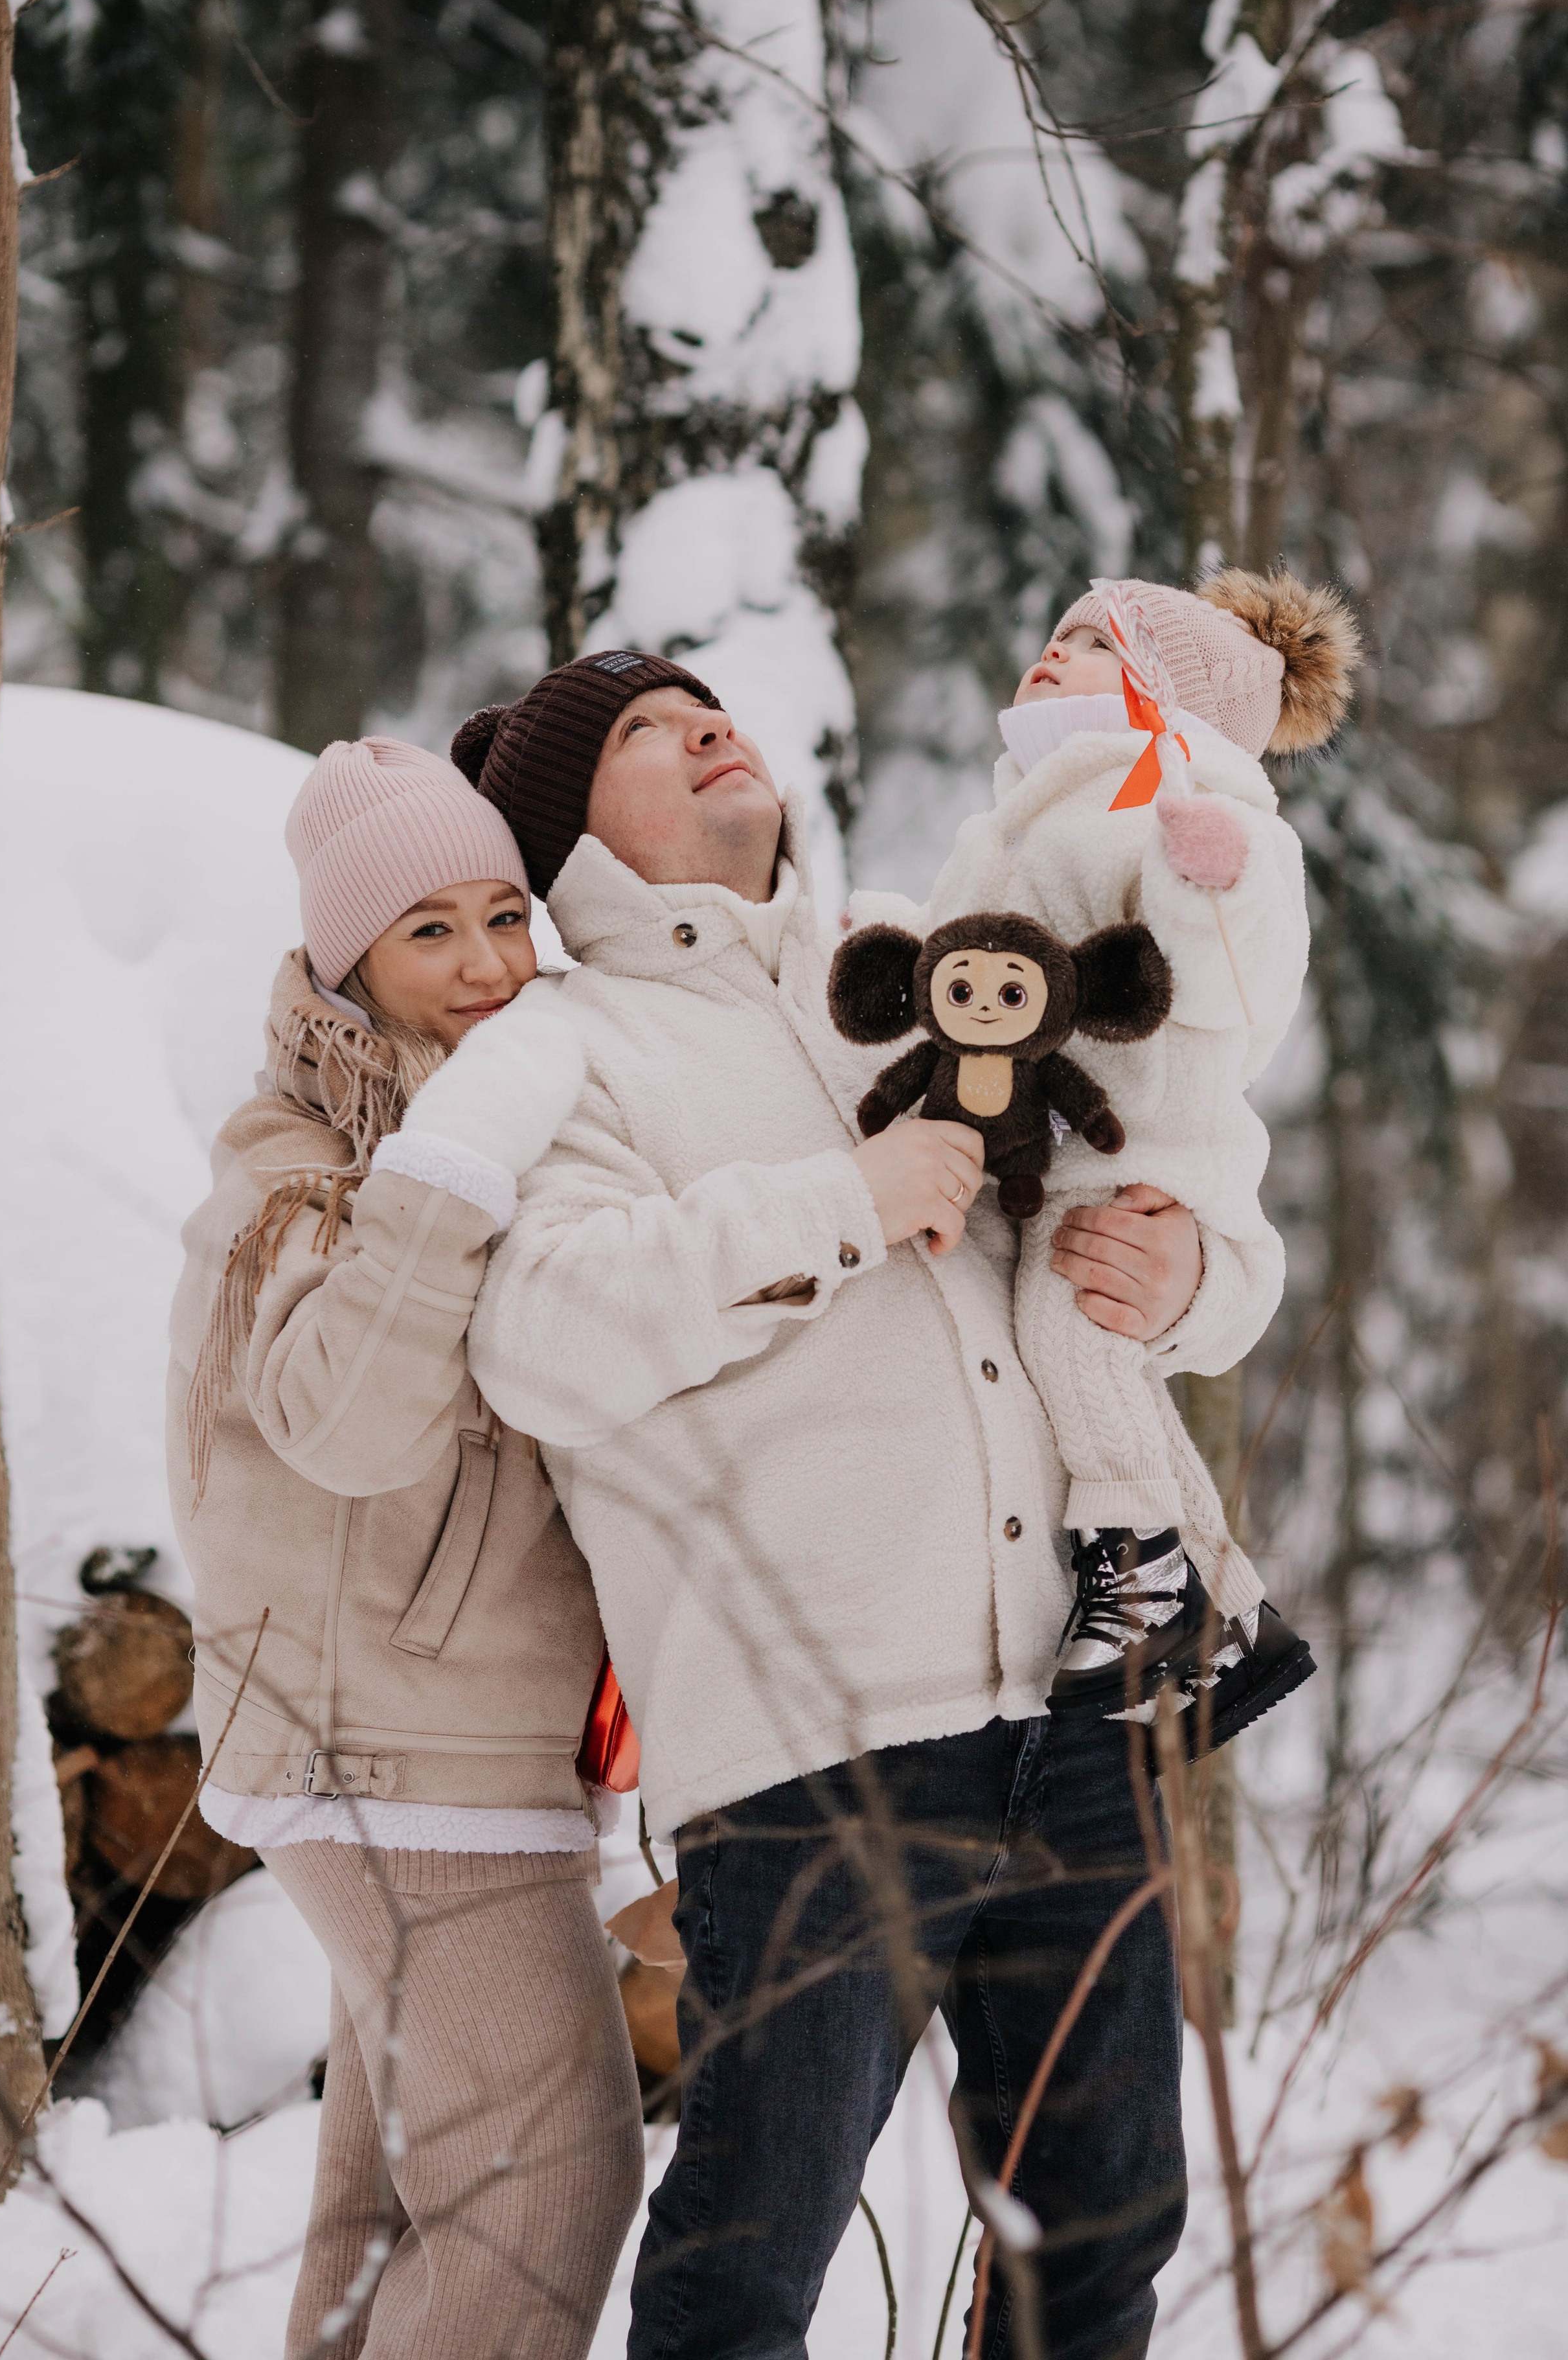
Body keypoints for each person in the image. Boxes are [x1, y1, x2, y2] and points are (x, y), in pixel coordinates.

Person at [456, 649, 1286, 2359]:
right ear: (566, 835)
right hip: (810, 1747)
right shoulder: (562, 1047)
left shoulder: (922, 965)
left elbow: (1189, 1172)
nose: (705, 725)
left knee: (1104, 2229)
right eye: (638, 730)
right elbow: (542, 1340)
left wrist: (1193, 1275)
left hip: (1083, 1704)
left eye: (708, 703)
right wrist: (842, 1199)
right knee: (752, 2267)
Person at [166, 736, 641, 2360]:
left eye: (504, 915)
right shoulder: (292, 1170)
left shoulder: (544, 1117)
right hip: (384, 1754)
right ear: (344, 963)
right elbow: (350, 1426)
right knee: (550, 2188)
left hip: (452, 1740)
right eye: (428, 932)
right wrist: (445, 1175)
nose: (488, 966)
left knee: (393, 2218)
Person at [878, 568, 1356, 1739]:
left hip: (1140, 1150)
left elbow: (1239, 979)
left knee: (1073, 1337)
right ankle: (1223, 1617)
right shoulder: (1008, 819)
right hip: (1042, 1150)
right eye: (1057, 634)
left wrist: (1217, 875)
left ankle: (1142, 1585)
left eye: (1096, 644)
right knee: (1095, 1367)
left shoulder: (1193, 801)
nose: (1054, 650)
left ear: (1167, 700)